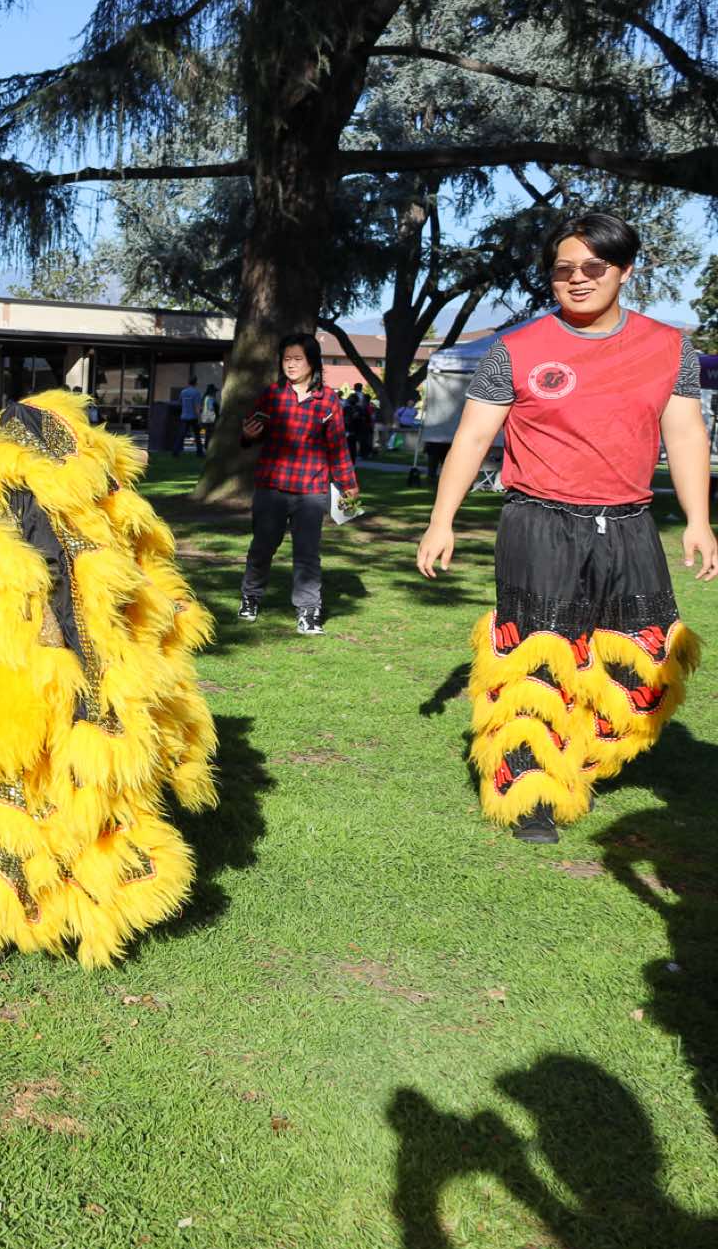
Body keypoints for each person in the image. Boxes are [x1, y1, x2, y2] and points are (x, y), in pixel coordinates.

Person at [416, 211, 715, 845]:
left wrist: (698, 519)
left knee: (645, 657)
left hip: (630, 522)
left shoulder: (669, 347)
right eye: (563, 270)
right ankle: (532, 792)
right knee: (538, 655)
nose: (577, 279)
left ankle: (578, 760)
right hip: (539, 522)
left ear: (624, 271)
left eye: (593, 267)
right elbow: (472, 437)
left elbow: (686, 432)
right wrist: (441, 521)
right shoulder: (515, 349)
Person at [238, 333, 359, 635]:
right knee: (263, 546)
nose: (290, 365)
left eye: (297, 359)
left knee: (307, 553)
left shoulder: (327, 400)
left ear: (312, 362)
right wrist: (248, 435)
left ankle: (309, 611)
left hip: (311, 490)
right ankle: (250, 596)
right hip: (272, 487)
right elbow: (251, 432)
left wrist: (348, 484)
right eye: (286, 359)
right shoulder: (272, 395)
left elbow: (338, 446)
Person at [346, 382, 377, 460]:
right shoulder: (363, 396)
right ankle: (361, 453)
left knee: (355, 440)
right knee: (362, 440)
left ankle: (357, 453)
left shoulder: (352, 397)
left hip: (356, 422)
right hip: (362, 422)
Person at [178, 377, 202, 454]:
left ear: (188, 383)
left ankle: (175, 451)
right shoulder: (196, 393)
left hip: (184, 416)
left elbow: (180, 403)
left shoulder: (183, 392)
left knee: (181, 435)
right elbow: (197, 407)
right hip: (193, 417)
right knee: (197, 435)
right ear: (196, 383)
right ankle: (200, 452)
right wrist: (199, 419)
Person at [200, 382, 220, 452]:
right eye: (214, 392)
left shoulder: (205, 398)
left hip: (205, 418)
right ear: (212, 392)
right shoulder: (210, 398)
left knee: (208, 434)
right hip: (210, 419)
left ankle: (207, 447)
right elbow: (211, 408)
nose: (215, 393)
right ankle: (208, 447)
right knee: (210, 434)